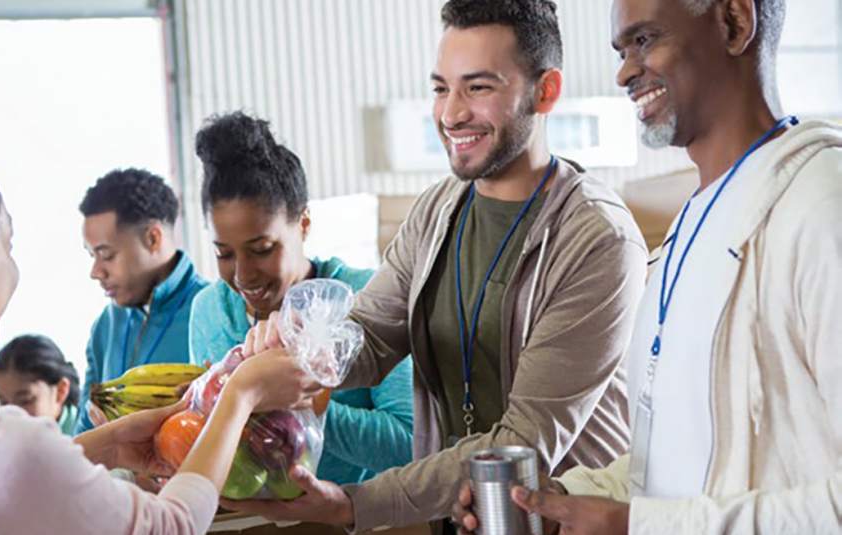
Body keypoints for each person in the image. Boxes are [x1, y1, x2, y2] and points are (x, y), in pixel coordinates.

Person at [223, 1, 648, 532]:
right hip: (458, 519)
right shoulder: (438, 211)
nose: (450, 114)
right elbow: (369, 336)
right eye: (441, 88)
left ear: (545, 91)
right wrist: (300, 350)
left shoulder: (597, 239)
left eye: (478, 87)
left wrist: (355, 504)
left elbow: (523, 443)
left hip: (554, 521)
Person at [454, 0, 842, 533]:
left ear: (735, 23)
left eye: (644, 40)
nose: (623, 73)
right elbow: (672, 463)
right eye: (621, 51)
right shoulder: (690, 226)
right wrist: (566, 499)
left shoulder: (821, 206)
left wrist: (635, 525)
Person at [0, 133, 323, 534]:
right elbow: (172, 525)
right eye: (6, 243)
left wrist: (104, 447)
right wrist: (241, 394)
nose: (95, 271)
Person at [188, 111, 414, 485]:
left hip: (354, 512)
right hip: (248, 515)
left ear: (304, 223)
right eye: (223, 254)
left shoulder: (365, 297)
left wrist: (305, 399)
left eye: (262, 249)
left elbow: (409, 444)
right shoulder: (209, 311)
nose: (243, 275)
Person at [76, 169, 209, 433]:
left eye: (107, 255)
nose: (95, 272)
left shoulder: (213, 311)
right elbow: (83, 431)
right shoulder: (106, 325)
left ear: (153, 238)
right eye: (92, 256)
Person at [0, 334, 82, 435]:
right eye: (3, 403)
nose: (13, 415)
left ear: (60, 391)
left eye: (25, 401)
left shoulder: (87, 435)